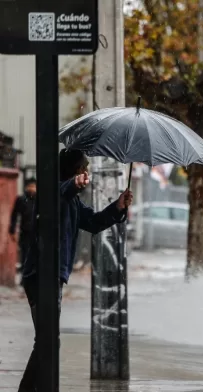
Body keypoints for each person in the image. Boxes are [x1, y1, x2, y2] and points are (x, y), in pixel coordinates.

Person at [18, 149, 133, 392]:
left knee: (48, 342)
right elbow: (60, 192)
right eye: (84, 168)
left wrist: (118, 207)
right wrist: (73, 184)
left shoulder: (73, 201)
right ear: (74, 170)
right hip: (41, 276)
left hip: (52, 277)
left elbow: (92, 222)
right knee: (47, 342)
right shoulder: (53, 192)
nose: (87, 172)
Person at [9, 178, 36, 279]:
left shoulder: (39, 199)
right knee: (25, 255)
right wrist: (12, 230)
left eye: (34, 187)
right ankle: (25, 278)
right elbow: (14, 215)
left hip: (36, 232)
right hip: (25, 232)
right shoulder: (21, 199)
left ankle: (32, 277)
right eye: (30, 186)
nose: (32, 189)